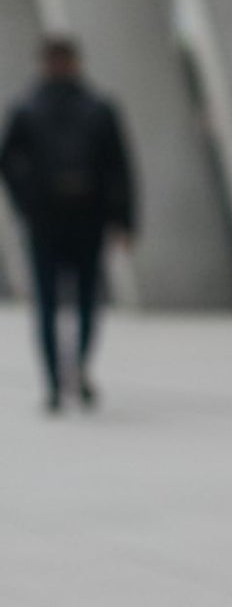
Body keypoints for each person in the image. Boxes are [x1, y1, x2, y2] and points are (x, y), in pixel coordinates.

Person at [1, 31, 136, 413]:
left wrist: (124, 220)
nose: (59, 68)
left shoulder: (98, 108)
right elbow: (8, 163)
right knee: (47, 303)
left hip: (87, 219)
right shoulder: (26, 109)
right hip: (46, 221)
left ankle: (77, 369)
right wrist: (26, 204)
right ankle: (54, 381)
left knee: (87, 301)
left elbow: (118, 167)